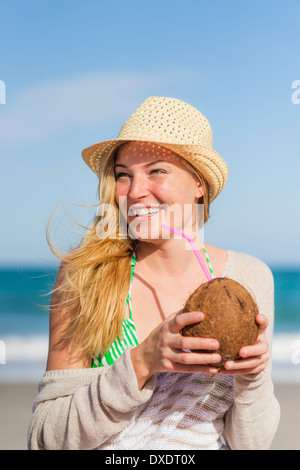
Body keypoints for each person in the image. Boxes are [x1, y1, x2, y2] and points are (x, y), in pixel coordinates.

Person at [27, 96, 280, 450]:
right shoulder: (85, 275)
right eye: (123, 175)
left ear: (199, 185)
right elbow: (45, 439)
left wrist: (251, 380)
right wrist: (141, 362)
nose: (135, 192)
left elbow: (250, 444)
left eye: (157, 170)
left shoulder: (248, 277)